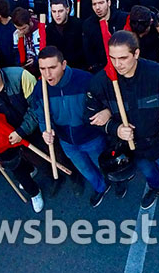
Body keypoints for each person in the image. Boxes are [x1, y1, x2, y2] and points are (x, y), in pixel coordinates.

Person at [86, 31, 159, 213]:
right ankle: (155, 187)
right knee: (146, 170)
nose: (117, 64)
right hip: (131, 144)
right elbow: (88, 113)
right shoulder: (101, 81)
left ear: (136, 53)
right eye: (112, 58)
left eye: (123, 58)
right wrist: (114, 128)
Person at [33, 46, 109, 208]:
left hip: (91, 136)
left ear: (64, 64)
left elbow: (106, 101)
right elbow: (41, 116)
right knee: (85, 169)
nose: (47, 74)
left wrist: (107, 112)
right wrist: (45, 130)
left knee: (103, 163)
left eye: (52, 68)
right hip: (66, 141)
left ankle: (114, 181)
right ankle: (100, 187)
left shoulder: (85, 80)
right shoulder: (40, 89)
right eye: (43, 69)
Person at [0, 51, 45, 213]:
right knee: (9, 160)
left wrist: (22, 130)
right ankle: (33, 192)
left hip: (36, 125)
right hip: (11, 132)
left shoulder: (20, 76)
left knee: (48, 156)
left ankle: (58, 174)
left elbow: (37, 108)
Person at [45, 0, 86, 70]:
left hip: (78, 67)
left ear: (67, 10)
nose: (57, 15)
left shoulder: (79, 25)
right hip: (58, 69)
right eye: (54, 12)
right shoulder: (49, 29)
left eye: (60, 11)